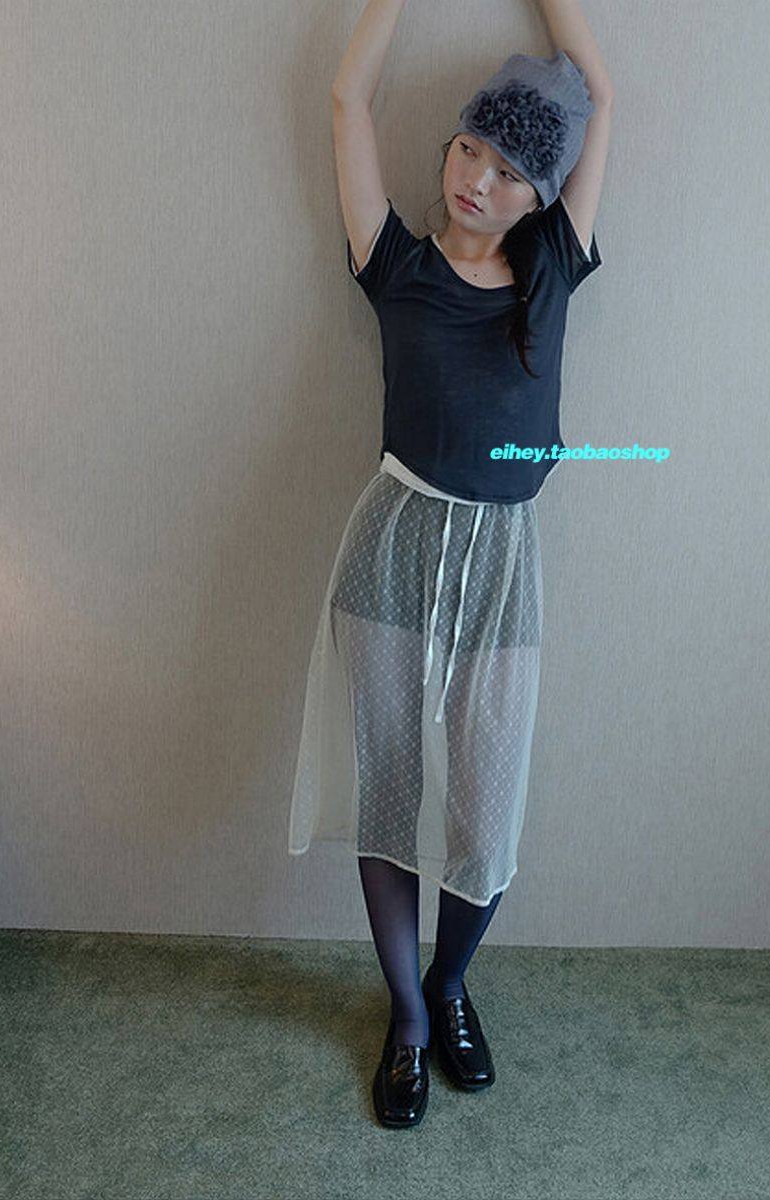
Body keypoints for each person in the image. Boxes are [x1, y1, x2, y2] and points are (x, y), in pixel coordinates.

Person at [291, 0, 613, 1128]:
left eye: (511, 171)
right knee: (390, 791)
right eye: (471, 149)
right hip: (393, 547)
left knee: (486, 810)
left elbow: (600, 93)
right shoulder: (396, 264)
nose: (480, 179)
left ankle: (450, 980)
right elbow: (347, 99)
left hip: (501, 562)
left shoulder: (552, 270)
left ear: (540, 196)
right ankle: (409, 1020)